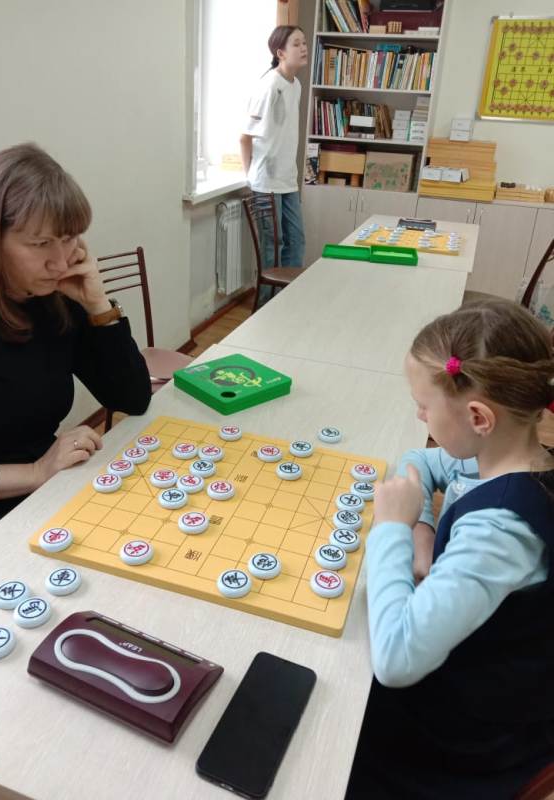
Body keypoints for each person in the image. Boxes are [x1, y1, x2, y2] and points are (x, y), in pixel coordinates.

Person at [346, 299, 554, 799]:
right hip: (479, 679)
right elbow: (419, 459)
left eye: (424, 407)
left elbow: (395, 660)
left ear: (479, 416)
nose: (419, 416)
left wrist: (394, 528)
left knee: (327, 730)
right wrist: (422, 532)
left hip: (468, 741)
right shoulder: (511, 456)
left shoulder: (500, 532)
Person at [0, 143, 151, 555]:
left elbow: (131, 397)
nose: (61, 262)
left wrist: (98, 306)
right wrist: (37, 471)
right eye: (40, 244)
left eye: (69, 239)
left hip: (43, 494)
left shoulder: (56, 296)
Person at [240, 25, 308, 283]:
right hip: (265, 182)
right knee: (272, 246)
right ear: (280, 52)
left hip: (288, 180)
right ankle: (268, 305)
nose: (303, 48)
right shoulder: (268, 86)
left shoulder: (296, 85)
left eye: (304, 43)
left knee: (296, 241)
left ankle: (287, 298)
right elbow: (244, 137)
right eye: (296, 44)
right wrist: (251, 177)